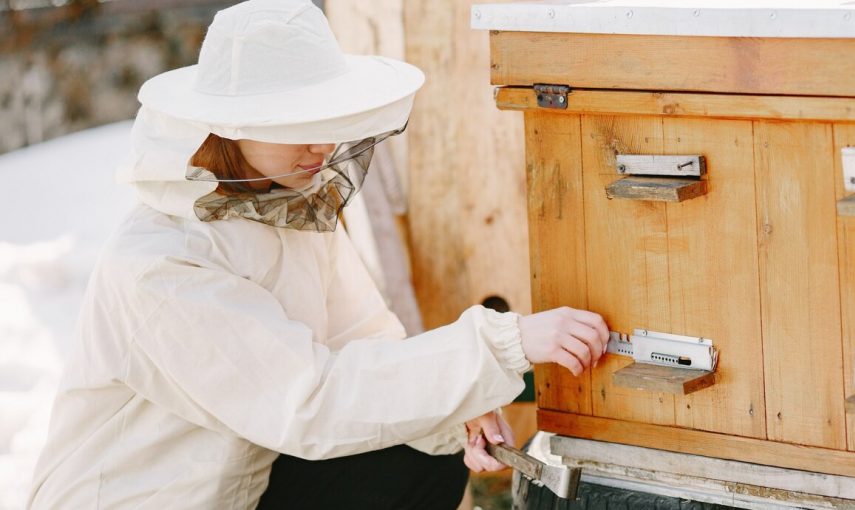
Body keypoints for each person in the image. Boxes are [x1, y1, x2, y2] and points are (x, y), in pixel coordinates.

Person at [25, 0, 610, 508]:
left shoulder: (288, 205)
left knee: (418, 457)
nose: (322, 145)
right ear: (230, 125)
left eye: (328, 118)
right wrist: (504, 345)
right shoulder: (161, 264)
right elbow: (307, 401)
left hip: (243, 486)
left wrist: (450, 403)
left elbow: (365, 341)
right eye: (296, 123)